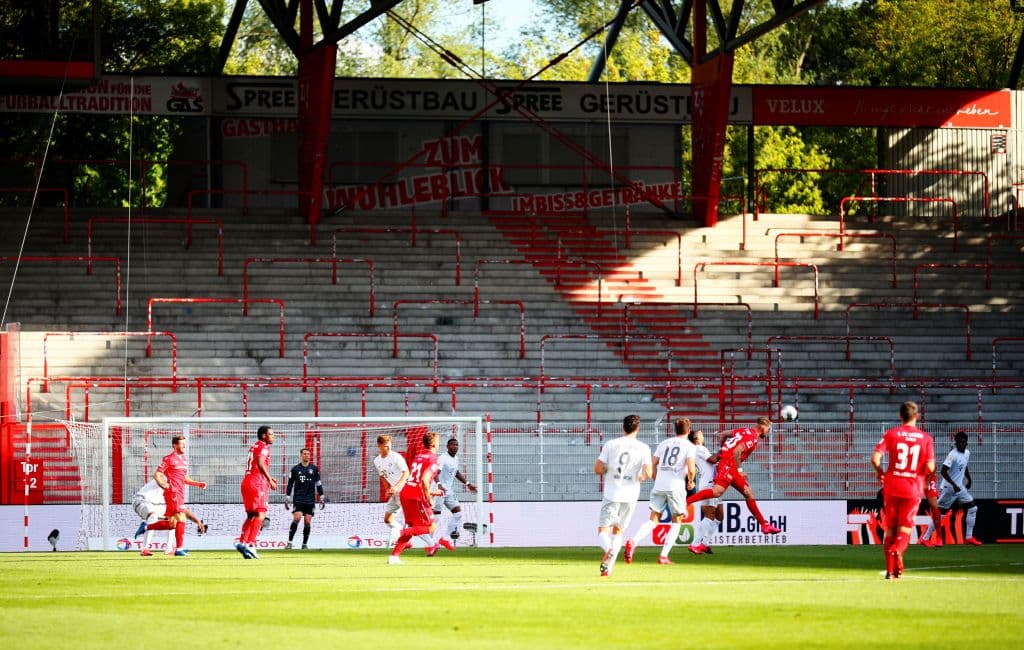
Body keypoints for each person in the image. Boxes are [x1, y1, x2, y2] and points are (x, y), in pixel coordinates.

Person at [684, 416, 782, 535]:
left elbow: (723, 434)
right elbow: (737, 451)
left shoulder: (744, 430)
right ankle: (686, 502)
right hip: (729, 465)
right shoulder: (753, 438)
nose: (768, 431)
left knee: (748, 493)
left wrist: (724, 450)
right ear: (762, 427)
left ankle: (764, 525)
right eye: (768, 429)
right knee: (716, 492)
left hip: (729, 464)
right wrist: (739, 470)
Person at [871, 401, 935, 579]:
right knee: (905, 529)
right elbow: (930, 467)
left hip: (891, 486)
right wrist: (920, 475)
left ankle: (890, 571)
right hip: (913, 488)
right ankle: (897, 550)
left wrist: (880, 472)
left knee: (890, 529)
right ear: (917, 416)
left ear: (900, 416)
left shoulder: (891, 434)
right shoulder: (925, 438)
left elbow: (875, 458)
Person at [624, 417, 695, 565]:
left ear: (675, 430)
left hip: (659, 485)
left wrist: (657, 478)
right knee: (677, 521)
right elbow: (691, 468)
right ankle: (663, 556)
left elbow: (653, 463)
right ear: (689, 430)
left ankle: (634, 541)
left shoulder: (664, 443)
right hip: (676, 486)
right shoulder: (689, 446)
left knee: (653, 520)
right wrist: (690, 481)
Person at [594, 414, 653, 577]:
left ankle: (609, 550)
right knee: (618, 531)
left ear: (623, 427)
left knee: (603, 530)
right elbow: (648, 473)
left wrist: (607, 470)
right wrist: (640, 477)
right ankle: (608, 569)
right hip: (631, 494)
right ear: (637, 429)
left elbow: (597, 468)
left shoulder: (611, 444)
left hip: (612, 492)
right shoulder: (643, 447)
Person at [388, 430, 451, 565]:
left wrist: (433, 492)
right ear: (434, 444)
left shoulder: (419, 456)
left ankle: (394, 557)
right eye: (438, 441)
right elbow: (424, 479)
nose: (439, 444)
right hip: (416, 497)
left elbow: (416, 481)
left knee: (413, 528)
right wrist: (429, 498)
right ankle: (399, 532)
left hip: (406, 493)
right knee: (431, 527)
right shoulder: (434, 459)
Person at [921, 430, 981, 546]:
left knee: (973, 508)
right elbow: (943, 471)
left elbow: (964, 467)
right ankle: (926, 537)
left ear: (966, 443)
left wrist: (969, 479)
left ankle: (969, 537)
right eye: (958, 442)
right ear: (955, 442)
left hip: (959, 488)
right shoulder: (952, 455)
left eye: (963, 442)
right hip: (949, 489)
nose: (960, 444)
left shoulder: (967, 453)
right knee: (940, 515)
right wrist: (953, 485)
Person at [153, 434, 207, 557]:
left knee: (172, 522)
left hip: (180, 493)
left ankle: (148, 527)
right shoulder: (169, 459)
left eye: (184, 444)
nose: (184, 446)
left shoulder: (184, 460)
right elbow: (157, 474)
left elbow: (184, 478)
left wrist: (198, 484)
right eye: (181, 444)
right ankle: (179, 548)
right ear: (174, 445)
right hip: (173, 493)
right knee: (181, 517)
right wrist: (163, 484)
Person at [132, 478, 207, 556]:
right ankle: (145, 549)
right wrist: (197, 484)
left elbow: (182, 510)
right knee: (153, 517)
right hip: (142, 500)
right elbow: (182, 478)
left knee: (174, 519)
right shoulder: (167, 480)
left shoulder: (175, 488)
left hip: (158, 505)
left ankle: (169, 549)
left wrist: (198, 521)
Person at [237, 426, 278, 559]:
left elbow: (256, 464)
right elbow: (260, 464)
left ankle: (242, 542)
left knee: (251, 515)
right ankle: (251, 544)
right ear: (264, 435)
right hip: (257, 483)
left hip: (247, 481)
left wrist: (269, 478)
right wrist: (269, 480)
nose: (273, 436)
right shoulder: (264, 447)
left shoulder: (254, 446)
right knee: (261, 514)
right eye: (271, 434)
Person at [432, 437, 478, 547]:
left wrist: (468, 484)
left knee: (458, 514)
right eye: (452, 444)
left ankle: (444, 538)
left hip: (448, 491)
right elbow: (435, 472)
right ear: (447, 446)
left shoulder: (455, 458)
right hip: (438, 491)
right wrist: (439, 485)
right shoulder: (443, 458)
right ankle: (429, 542)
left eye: (456, 445)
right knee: (436, 517)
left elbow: (456, 472)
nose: (455, 446)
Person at [687, 429, 723, 555]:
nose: (703, 435)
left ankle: (705, 544)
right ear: (696, 438)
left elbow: (712, 463)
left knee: (719, 515)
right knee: (710, 515)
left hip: (714, 484)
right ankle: (694, 544)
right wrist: (724, 450)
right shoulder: (699, 448)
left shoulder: (700, 449)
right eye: (700, 434)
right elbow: (713, 460)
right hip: (708, 484)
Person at [284, 447, 326, 549]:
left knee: (307, 521)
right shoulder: (295, 469)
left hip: (310, 500)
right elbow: (290, 484)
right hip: (298, 499)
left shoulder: (314, 469)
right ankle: (289, 542)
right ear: (301, 455)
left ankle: (304, 544)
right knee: (297, 518)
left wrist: (321, 496)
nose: (306, 455)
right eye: (304, 454)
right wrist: (287, 497)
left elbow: (318, 483)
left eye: (308, 454)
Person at [373, 433, 410, 547]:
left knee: (409, 519)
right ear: (379, 446)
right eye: (386, 446)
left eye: (389, 445)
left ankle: (405, 541)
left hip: (404, 490)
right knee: (388, 519)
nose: (388, 448)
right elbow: (382, 476)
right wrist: (387, 489)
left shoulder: (396, 457)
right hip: (394, 493)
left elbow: (406, 473)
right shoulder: (377, 461)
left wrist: (397, 486)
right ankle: (401, 534)